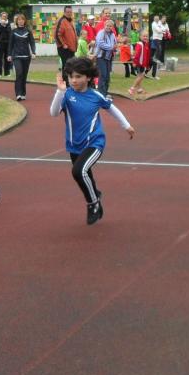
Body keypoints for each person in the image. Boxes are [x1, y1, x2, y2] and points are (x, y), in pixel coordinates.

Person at [50, 58, 135, 224]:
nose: (73, 80)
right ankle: (95, 194)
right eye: (71, 76)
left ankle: (93, 203)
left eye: (78, 76)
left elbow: (112, 109)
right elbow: (53, 113)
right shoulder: (66, 94)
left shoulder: (95, 96)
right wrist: (60, 91)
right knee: (83, 174)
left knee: (78, 171)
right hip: (74, 144)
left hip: (94, 143)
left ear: (88, 77)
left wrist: (126, 125)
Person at [7, 13, 36, 101]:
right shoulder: (13, 31)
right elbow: (10, 44)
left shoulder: (28, 31)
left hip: (26, 56)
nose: (20, 21)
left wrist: (33, 52)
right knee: (19, 73)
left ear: (24, 21)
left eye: (22, 20)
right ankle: (18, 94)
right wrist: (9, 55)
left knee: (24, 75)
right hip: (16, 56)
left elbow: (32, 42)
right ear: (17, 21)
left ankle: (23, 93)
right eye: (19, 20)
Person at [54, 6, 78, 83]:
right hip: (64, 49)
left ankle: (69, 82)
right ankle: (66, 83)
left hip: (71, 49)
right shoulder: (61, 21)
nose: (69, 13)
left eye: (70, 12)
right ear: (64, 12)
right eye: (67, 12)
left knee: (71, 66)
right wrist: (63, 45)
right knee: (67, 66)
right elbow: (57, 34)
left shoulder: (70, 21)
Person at [95, 19, 117, 98]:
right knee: (103, 75)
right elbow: (100, 43)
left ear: (112, 27)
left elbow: (115, 43)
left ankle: (105, 92)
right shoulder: (101, 33)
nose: (108, 27)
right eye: (107, 25)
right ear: (104, 26)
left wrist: (115, 48)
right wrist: (111, 47)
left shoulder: (112, 34)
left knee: (107, 76)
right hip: (101, 57)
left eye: (110, 26)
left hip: (108, 57)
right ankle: (101, 94)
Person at [129, 31, 151, 96]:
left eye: (146, 36)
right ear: (140, 37)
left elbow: (147, 55)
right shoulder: (139, 44)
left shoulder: (146, 44)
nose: (145, 37)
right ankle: (132, 88)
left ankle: (139, 89)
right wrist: (135, 62)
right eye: (144, 36)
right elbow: (136, 54)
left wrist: (147, 65)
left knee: (140, 76)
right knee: (141, 76)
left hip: (143, 63)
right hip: (139, 63)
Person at [0, 11, 11, 77]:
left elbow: (9, 32)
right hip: (0, 42)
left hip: (7, 42)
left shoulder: (8, 23)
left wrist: (5, 26)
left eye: (6, 16)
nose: (4, 17)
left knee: (7, 58)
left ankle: (7, 72)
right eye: (3, 16)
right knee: (0, 58)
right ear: (1, 17)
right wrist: (2, 25)